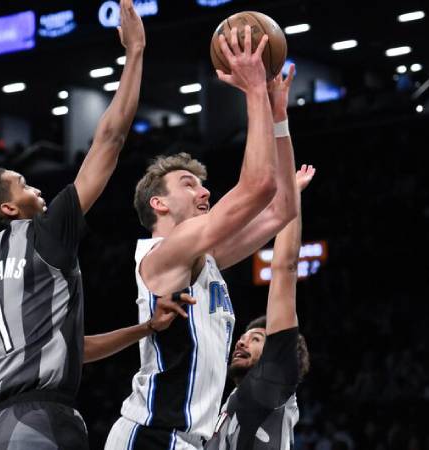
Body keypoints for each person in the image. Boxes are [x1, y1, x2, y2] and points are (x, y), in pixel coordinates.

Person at [0, 1, 145, 448]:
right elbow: (110, 140)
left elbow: (64, 344)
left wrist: (143, 330)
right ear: (8, 209)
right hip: (39, 421)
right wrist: (134, 52)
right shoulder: (43, 234)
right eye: (21, 185)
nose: (35, 188)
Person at [105, 28, 299, 449]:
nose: (204, 191)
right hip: (152, 436)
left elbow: (282, 209)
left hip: (188, 440)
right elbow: (259, 186)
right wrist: (253, 92)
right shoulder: (164, 254)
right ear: (158, 204)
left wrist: (278, 116)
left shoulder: (203, 258)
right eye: (188, 184)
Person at [205, 163, 315, 450]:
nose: (241, 341)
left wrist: (291, 198)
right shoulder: (229, 401)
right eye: (245, 337)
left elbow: (284, 269)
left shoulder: (272, 380)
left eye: (256, 339)